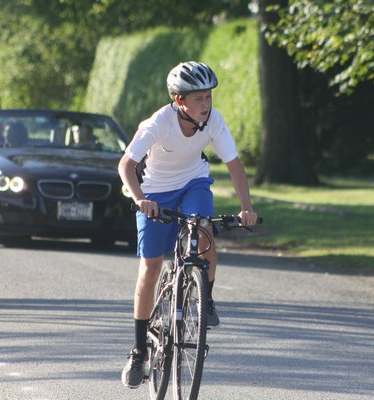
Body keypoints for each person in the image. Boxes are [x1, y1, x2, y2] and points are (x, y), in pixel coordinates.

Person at [118, 61, 258, 389]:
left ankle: (204, 298)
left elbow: (235, 166)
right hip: (154, 191)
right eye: (198, 98)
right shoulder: (158, 123)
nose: (206, 104)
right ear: (179, 100)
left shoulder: (214, 121)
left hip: (193, 182)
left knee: (204, 230)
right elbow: (126, 165)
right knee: (150, 268)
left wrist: (246, 208)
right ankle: (139, 350)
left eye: (208, 97)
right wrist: (140, 199)